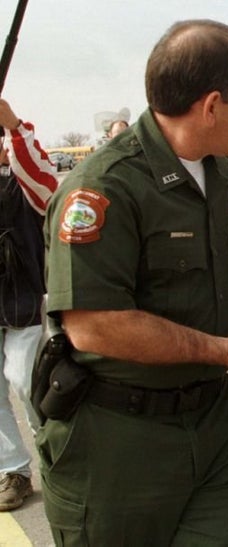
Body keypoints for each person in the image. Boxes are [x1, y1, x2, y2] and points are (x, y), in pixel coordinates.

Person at [39, 20, 228, 546]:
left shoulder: (214, 168)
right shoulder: (103, 188)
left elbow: (220, 242)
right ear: (212, 105)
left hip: (215, 431)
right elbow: (97, 327)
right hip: (120, 445)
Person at [0, 99, 57, 512]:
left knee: (24, 379)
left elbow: (46, 184)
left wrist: (14, 126)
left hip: (21, 296)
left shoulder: (21, 173)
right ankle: (14, 470)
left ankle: (57, 453)